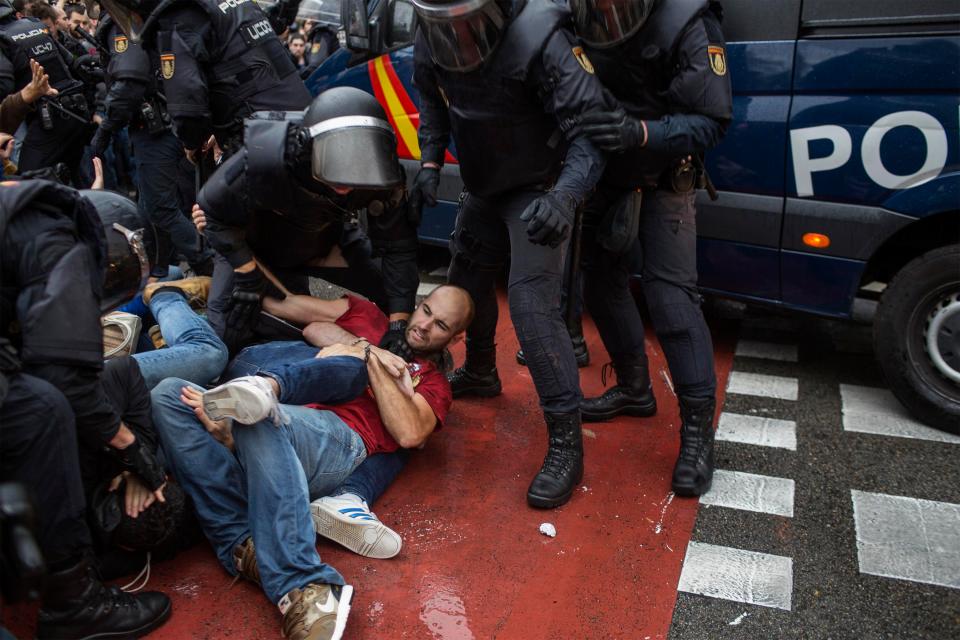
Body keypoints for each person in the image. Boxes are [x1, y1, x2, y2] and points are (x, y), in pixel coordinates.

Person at [150, 284, 473, 640]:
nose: (425, 326)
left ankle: (303, 584)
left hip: (339, 440)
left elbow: (411, 432)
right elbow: (314, 328)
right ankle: (246, 547)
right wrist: (367, 347)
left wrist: (371, 362)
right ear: (416, 305)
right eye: (426, 311)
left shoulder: (433, 382)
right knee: (167, 395)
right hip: (289, 418)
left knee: (261, 416)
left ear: (455, 338)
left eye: (441, 325)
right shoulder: (371, 318)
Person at [409, 0, 613, 508]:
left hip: (538, 188)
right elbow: (434, 105)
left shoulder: (542, 35)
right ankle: (480, 370)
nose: (458, 37)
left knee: (532, 308)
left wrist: (565, 196)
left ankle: (567, 443)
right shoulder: (432, 25)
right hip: (484, 184)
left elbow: (593, 130)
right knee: (463, 284)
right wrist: (431, 161)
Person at [570, 0, 733, 496]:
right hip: (608, 168)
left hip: (665, 173)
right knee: (599, 282)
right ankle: (636, 389)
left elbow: (712, 120)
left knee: (671, 299)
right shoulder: (576, 12)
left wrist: (642, 131)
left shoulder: (687, 20)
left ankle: (697, 434)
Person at [0, 178, 172, 638]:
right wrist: (132, 448)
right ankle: (74, 605)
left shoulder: (31, 222)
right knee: (41, 409)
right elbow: (62, 378)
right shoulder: (59, 238)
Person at [196, 87, 418, 357]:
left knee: (394, 293)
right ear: (307, 146)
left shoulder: (384, 177)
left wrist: (398, 325)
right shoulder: (267, 155)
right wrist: (246, 273)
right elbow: (213, 213)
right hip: (254, 245)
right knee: (224, 338)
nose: (346, 181)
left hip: (324, 238)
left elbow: (398, 249)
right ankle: (171, 296)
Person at [99, 0, 311, 159]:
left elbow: (187, 105)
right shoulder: (235, 3)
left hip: (261, 138)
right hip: (300, 122)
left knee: (211, 210)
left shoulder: (180, 14)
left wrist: (192, 141)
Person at [91, 11, 215, 277]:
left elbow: (129, 81)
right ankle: (157, 270)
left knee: (161, 207)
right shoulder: (142, 15)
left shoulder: (120, 20)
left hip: (154, 128)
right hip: (166, 123)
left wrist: (105, 130)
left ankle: (211, 265)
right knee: (149, 206)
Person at [0, 0, 98, 181]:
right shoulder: (34, 24)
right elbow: (73, 63)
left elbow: (3, 86)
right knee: (76, 182)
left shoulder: (2, 37)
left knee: (29, 182)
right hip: (76, 111)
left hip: (49, 118)